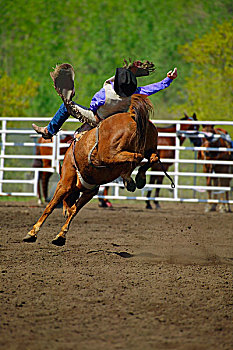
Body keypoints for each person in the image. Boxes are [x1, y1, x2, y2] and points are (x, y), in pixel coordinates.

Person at [32, 60, 177, 139]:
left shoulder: (105, 92)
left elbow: (93, 105)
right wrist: (168, 80)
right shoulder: (134, 93)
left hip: (97, 119)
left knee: (66, 107)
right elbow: (153, 88)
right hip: (116, 123)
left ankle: (48, 131)